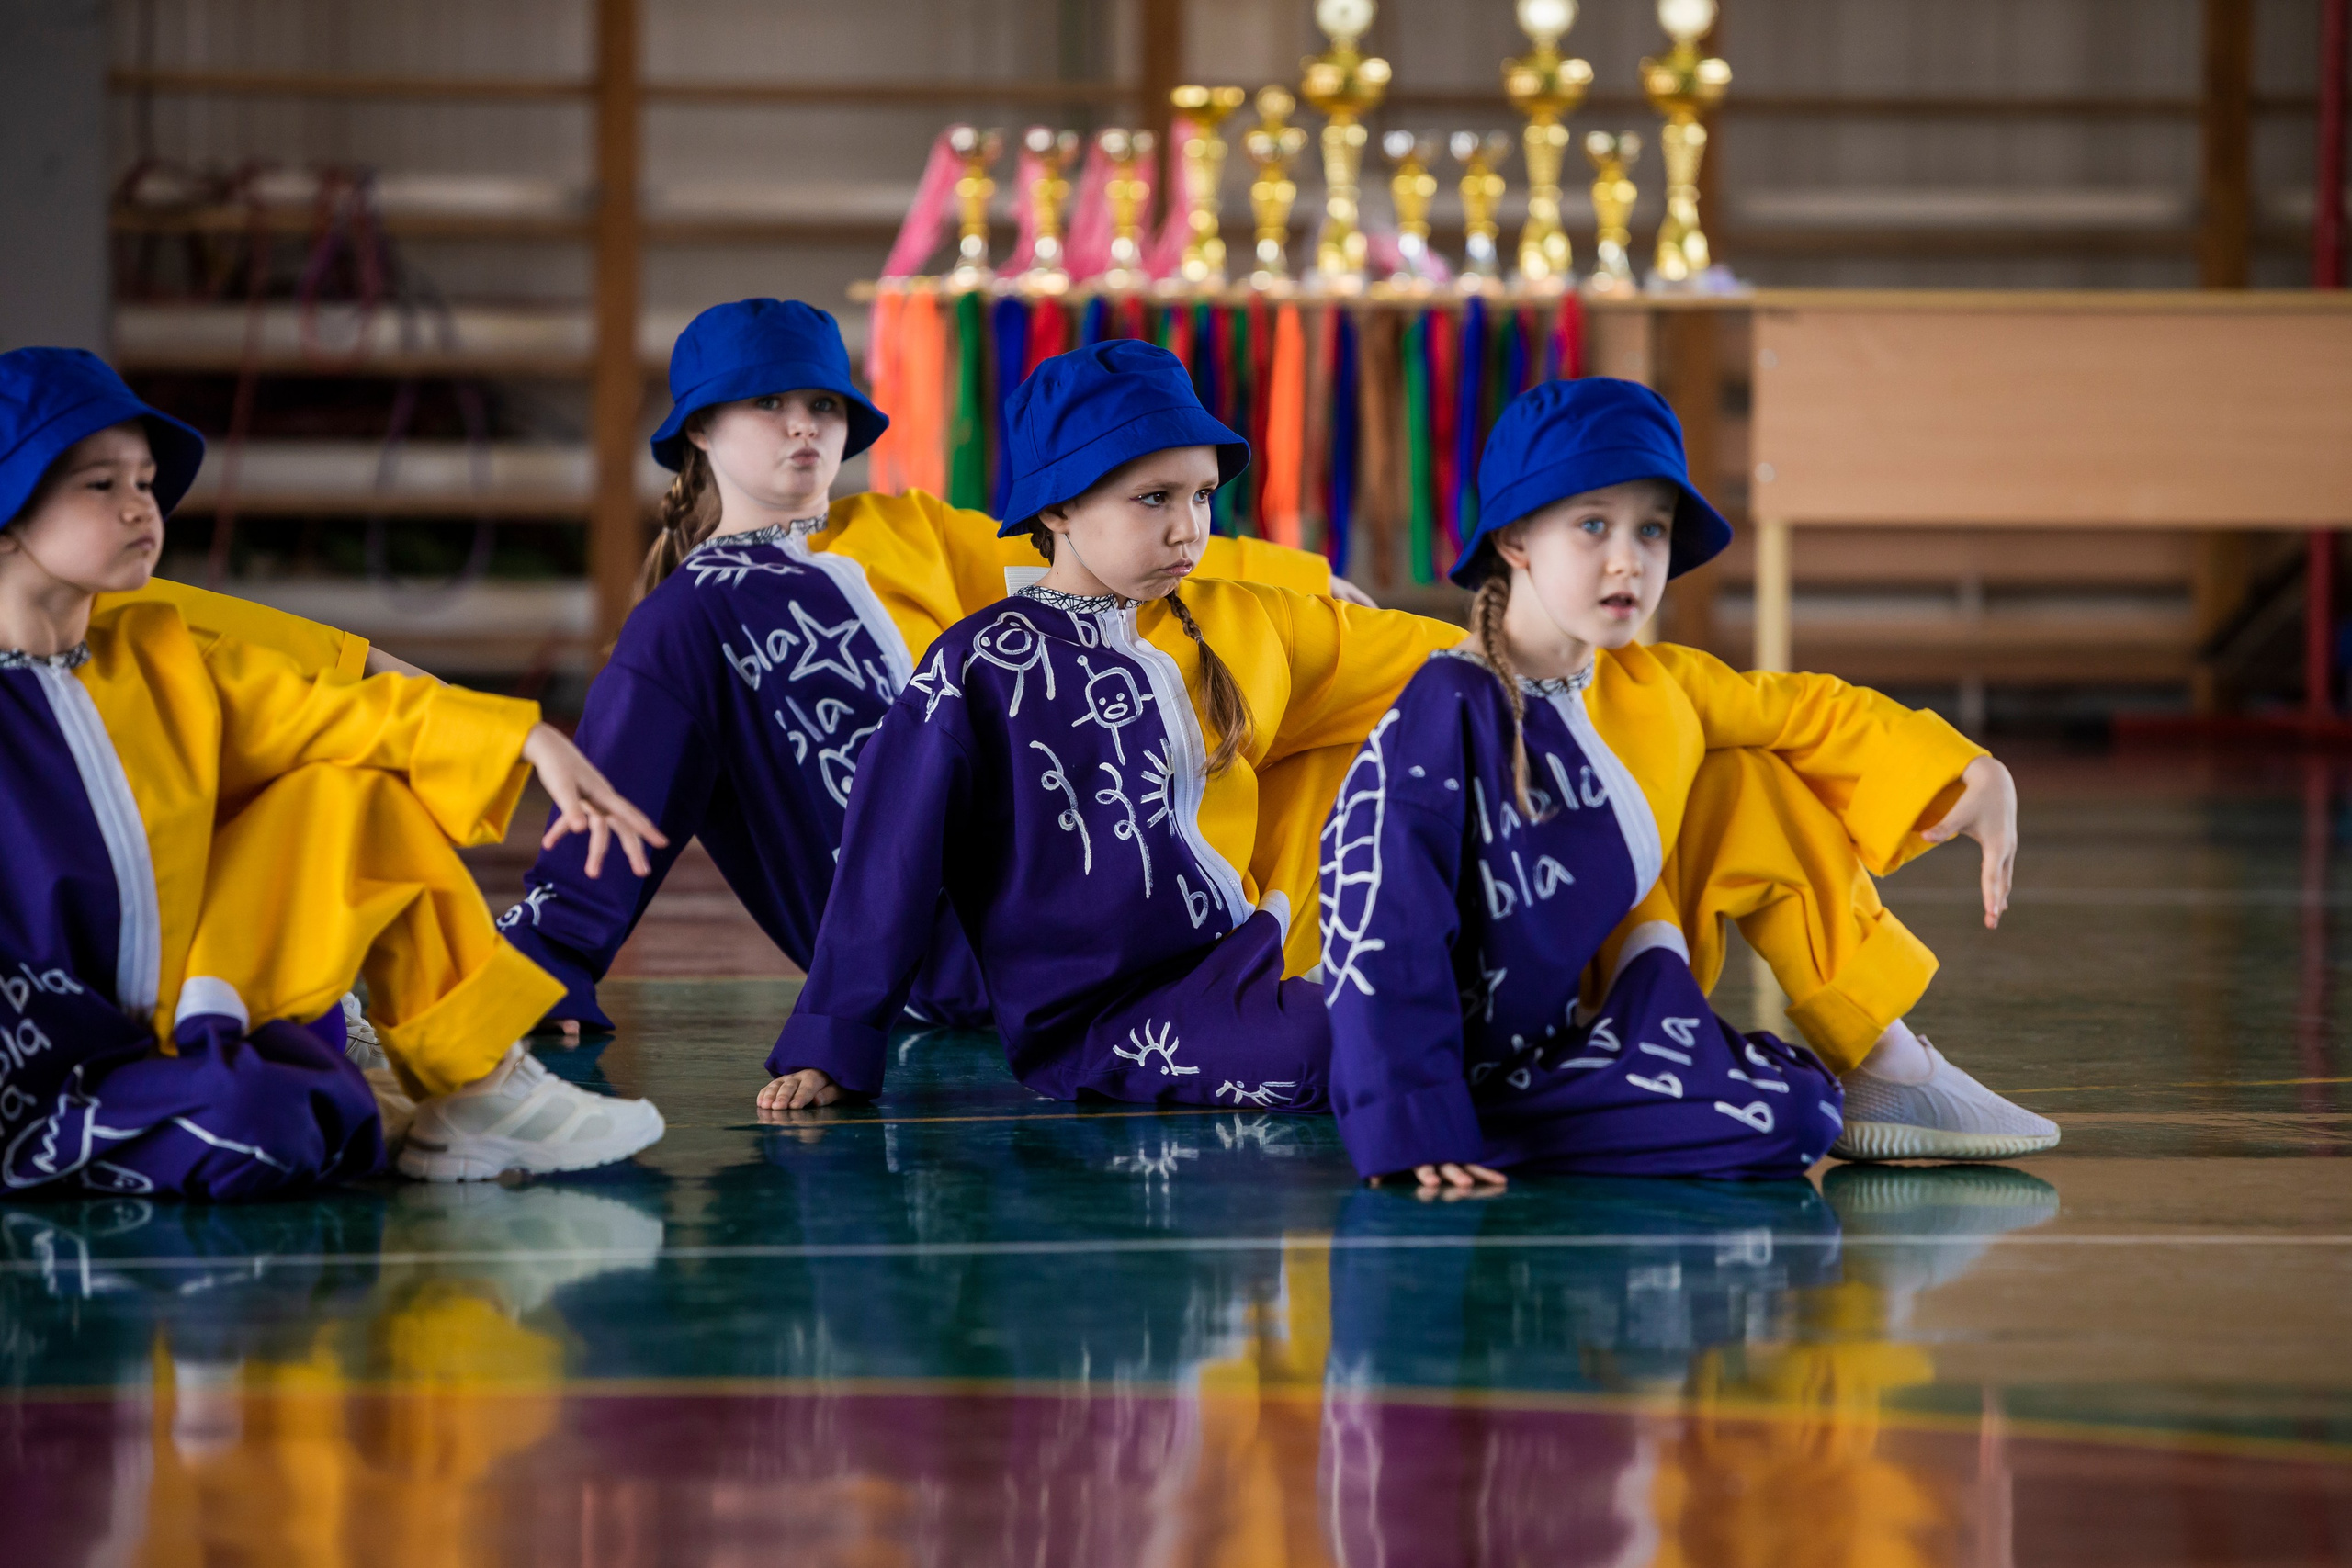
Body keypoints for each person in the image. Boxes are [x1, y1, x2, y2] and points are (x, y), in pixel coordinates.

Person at [498, 299, 1353, 1037]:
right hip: (931, 956)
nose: (805, 425)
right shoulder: (687, 619)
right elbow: (614, 789)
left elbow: (1089, 536)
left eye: (825, 404)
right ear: (700, 428)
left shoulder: (904, 526)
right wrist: (554, 959)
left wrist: (1309, 584)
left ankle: (1351, 954)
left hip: (1052, 870)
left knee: (1334, 740)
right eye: (768, 402)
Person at [1318, 378, 2059, 1190]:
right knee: (1793, 1113)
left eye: (1653, 529)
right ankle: (1511, 1123)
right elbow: (1381, 919)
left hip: (1608, 1017)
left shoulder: (1653, 683)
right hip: (1478, 1071)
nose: (1628, 558)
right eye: (1593, 524)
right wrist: (1411, 1119)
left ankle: (1881, 1058)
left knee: (1747, 775)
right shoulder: (1449, 700)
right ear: (1518, 539)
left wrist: (1970, 772)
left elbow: (1801, 710)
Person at [0, 345, 667, 1195]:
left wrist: (529, 741)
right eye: (102, 485)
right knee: (277, 1127)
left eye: (145, 481)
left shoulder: (162, 652)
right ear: (11, 513)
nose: (142, 508)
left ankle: (477, 1086)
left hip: (179, 1007)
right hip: (39, 1050)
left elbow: (340, 709)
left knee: (355, 788)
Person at [761, 340, 1462, 1112]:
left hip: (1253, 954)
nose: (1188, 528)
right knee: (1346, 1047)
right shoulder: (976, 667)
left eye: (1200, 496)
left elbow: (1449, 664)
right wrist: (834, 1041)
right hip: (1101, 1018)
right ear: (1058, 508)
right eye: (1153, 498)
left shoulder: (1247, 619)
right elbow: (887, 860)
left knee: (1448, 996)